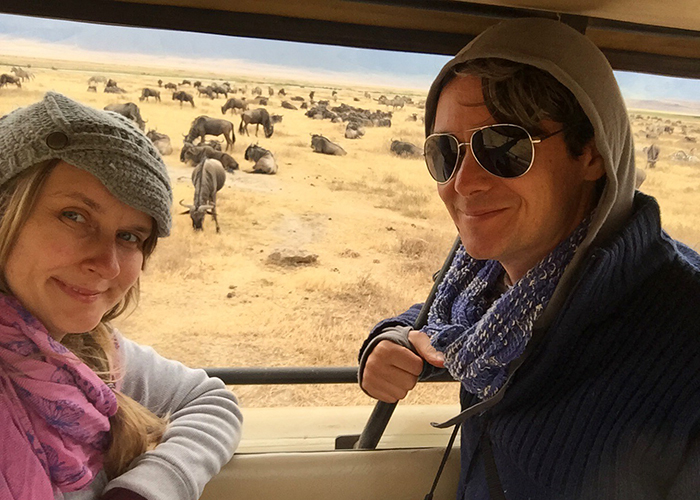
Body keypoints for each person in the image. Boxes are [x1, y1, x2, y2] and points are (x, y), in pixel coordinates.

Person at [358, 18, 700, 500]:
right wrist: (394, 338)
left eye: (502, 147)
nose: (464, 183)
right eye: (445, 153)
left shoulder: (683, 335)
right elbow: (453, 325)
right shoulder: (489, 289)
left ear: (592, 154)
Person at [0, 92, 243, 500]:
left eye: (129, 236)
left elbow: (211, 400)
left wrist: (144, 489)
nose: (109, 265)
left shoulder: (91, 354)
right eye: (74, 216)